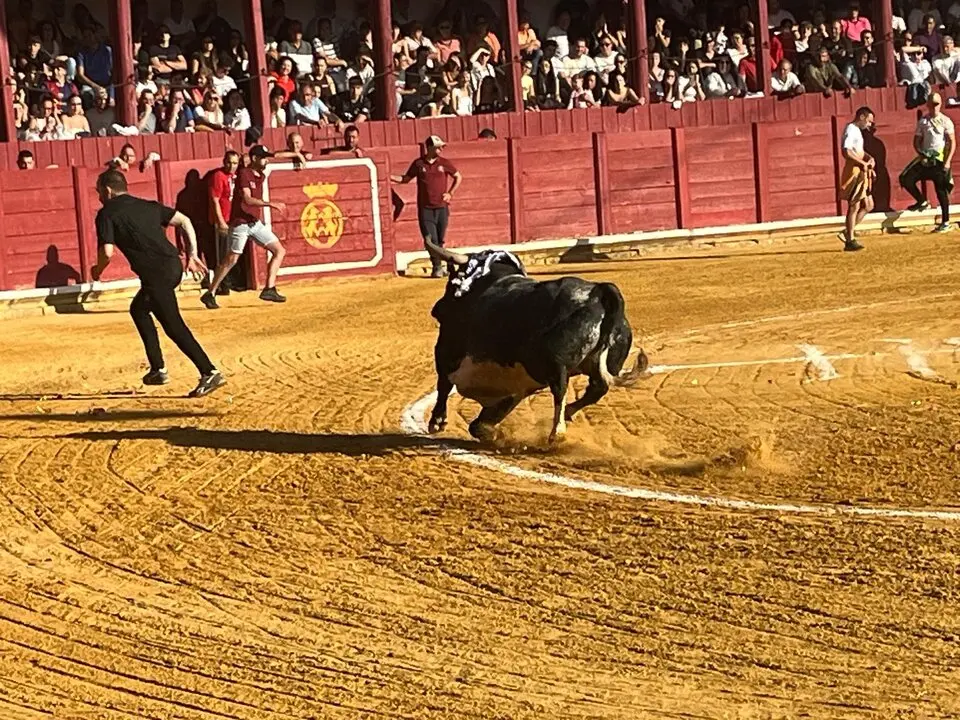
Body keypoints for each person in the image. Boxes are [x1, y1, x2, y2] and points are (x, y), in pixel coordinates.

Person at [91, 169, 226, 397]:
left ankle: (209, 371)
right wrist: (192, 255)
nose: (99, 196)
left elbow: (107, 251)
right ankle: (157, 369)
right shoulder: (148, 205)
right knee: (139, 309)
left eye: (98, 192)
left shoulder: (106, 214)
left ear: (107, 190)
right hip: (172, 266)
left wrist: (97, 270)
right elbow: (184, 220)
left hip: (156, 275)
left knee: (173, 325)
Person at [201, 145, 287, 308]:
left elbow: (276, 154)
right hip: (240, 224)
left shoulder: (260, 175)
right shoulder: (243, 174)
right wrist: (269, 204)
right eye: (263, 158)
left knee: (279, 250)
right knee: (231, 259)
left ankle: (269, 288)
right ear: (254, 159)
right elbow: (247, 199)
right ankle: (210, 292)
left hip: (254, 223)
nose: (266, 160)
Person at [391, 135, 462, 278]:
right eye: (438, 147)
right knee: (431, 240)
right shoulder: (418, 164)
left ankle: (444, 266)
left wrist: (450, 193)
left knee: (440, 240)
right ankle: (437, 267)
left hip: (441, 207)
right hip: (426, 209)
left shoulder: (444, 163)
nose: (441, 149)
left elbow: (458, 176)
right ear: (429, 148)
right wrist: (389, 177)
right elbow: (405, 179)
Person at [900, 92, 956, 232]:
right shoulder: (923, 121)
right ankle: (922, 201)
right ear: (928, 105)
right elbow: (916, 141)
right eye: (931, 104)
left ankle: (945, 222)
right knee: (906, 178)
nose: (934, 107)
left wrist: (947, 161)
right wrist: (921, 154)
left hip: (939, 160)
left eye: (936, 104)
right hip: (925, 159)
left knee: (941, 191)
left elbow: (952, 142)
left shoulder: (946, 121)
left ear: (940, 104)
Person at [838, 106, 876, 251]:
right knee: (854, 205)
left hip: (861, 169)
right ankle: (850, 240)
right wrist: (863, 163)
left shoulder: (856, 131)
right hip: (854, 170)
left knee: (868, 205)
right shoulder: (851, 129)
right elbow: (846, 151)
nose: (869, 125)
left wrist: (869, 158)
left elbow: (858, 151)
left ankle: (848, 232)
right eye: (868, 121)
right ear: (862, 117)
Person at [207, 150, 242, 293]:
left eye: (234, 163)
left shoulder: (236, 176)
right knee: (223, 254)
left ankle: (230, 282)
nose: (231, 166)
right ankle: (223, 285)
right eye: (229, 162)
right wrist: (220, 221)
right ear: (224, 161)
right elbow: (214, 200)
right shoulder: (218, 176)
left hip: (234, 220)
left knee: (233, 252)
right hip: (223, 219)